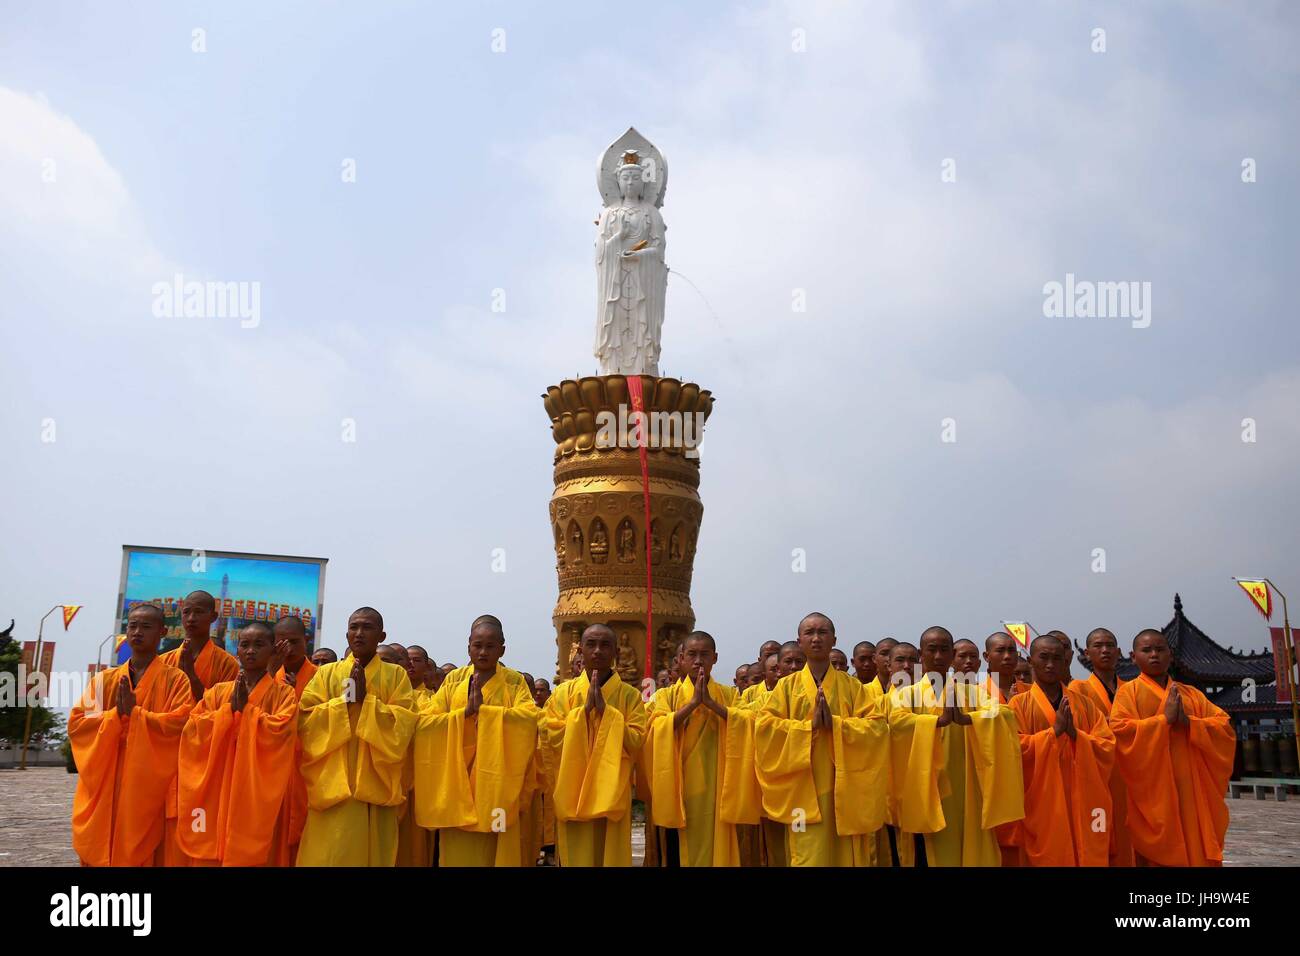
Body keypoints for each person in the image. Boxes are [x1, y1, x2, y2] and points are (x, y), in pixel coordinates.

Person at [751, 612, 889, 866]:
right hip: (804, 792)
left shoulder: (853, 687)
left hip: (845, 792)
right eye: (809, 633)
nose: (816, 638)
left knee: (846, 854)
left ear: (834, 639)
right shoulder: (786, 688)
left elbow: (878, 728)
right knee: (808, 854)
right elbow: (765, 728)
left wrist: (836, 725)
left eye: (822, 632)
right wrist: (807, 728)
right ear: (799, 641)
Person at [68, 603, 195, 866]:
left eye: (146, 627)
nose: (137, 632)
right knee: (100, 839)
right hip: (106, 775)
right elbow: (79, 723)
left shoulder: (176, 680)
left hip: (147, 781)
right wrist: (115, 717)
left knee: (143, 845)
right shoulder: (104, 680)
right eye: (132, 626)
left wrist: (136, 716)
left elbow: (181, 723)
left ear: (162, 631)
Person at [888, 627, 1023, 867]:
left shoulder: (973, 693)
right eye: (932, 650)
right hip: (926, 790)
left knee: (970, 849)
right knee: (927, 853)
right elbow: (897, 723)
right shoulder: (905, 695)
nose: (938, 656)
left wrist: (969, 719)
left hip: (967, 789)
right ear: (921, 654)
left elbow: (1004, 714)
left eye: (944, 650)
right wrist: (935, 722)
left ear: (952, 655)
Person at [413, 615, 539, 866]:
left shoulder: (513, 682)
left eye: (490, 646)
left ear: (502, 649)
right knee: (458, 850)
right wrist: (464, 715)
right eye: (477, 645)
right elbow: (425, 723)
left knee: (498, 845)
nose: (483, 652)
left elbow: (529, 721)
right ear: (468, 646)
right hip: (457, 785)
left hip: (498, 786)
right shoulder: (454, 681)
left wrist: (488, 714)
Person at [295, 607, 416, 866]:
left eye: (367, 627)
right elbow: (305, 721)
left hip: (375, 785)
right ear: (347, 633)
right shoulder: (326, 674)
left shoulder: (396, 675)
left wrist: (367, 702)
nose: (359, 633)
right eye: (354, 627)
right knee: (329, 853)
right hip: (333, 785)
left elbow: (404, 724)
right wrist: (343, 704)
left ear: (381, 635)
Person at [1109, 629, 1235, 867]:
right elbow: (1120, 731)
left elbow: (1224, 727)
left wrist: (1191, 724)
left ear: (1171, 655)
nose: (1154, 655)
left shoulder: (1191, 694)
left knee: (1195, 843)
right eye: (1146, 650)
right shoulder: (1128, 693)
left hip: (1191, 789)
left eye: (1160, 649)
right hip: (1154, 791)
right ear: (1133, 657)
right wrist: (1163, 721)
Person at [177, 622, 299, 866]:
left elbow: (281, 731)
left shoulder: (284, 694)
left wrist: (247, 713)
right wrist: (228, 712)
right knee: (209, 845)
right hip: (218, 783)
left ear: (272, 651)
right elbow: (193, 728)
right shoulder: (217, 693)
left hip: (255, 787)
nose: (251, 650)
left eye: (259, 645)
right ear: (238, 651)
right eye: (245, 645)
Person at [539, 624, 648, 866]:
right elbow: (551, 735)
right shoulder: (562, 695)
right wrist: (584, 712)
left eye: (605, 645)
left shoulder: (629, 696)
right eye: (591, 644)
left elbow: (637, 740)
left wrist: (607, 714)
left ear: (616, 652)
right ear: (580, 651)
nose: (598, 651)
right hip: (573, 789)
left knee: (610, 855)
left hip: (612, 790)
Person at [1010, 636, 1114, 866]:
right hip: (1043, 800)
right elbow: (1012, 749)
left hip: (1085, 798)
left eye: (1057, 658)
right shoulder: (1018, 705)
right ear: (1030, 661)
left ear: (1066, 661)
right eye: (1043, 658)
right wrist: (1053, 733)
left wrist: (1077, 735)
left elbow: (1106, 746)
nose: (1050, 664)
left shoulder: (1085, 705)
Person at [642, 631, 740, 866]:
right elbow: (654, 728)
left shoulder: (729, 695)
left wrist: (713, 705)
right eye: (692, 655)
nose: (698, 661)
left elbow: (747, 725)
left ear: (714, 658)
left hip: (718, 789)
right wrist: (694, 704)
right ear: (681, 660)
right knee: (677, 851)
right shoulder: (666, 695)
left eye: (704, 655)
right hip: (679, 788)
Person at [156, 589, 240, 865]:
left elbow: (225, 714)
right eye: (187, 612)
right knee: (168, 827)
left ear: (213, 617)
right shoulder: (165, 662)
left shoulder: (228, 665)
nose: (191, 618)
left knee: (201, 823)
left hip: (207, 759)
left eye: (199, 612)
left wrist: (192, 677)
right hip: (170, 757)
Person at [1075, 627, 1133, 865]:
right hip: (1096, 774)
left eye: (1110, 645)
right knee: (1098, 833)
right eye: (1098, 646)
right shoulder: (1078, 690)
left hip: (1130, 774)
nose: (1105, 650)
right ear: (1087, 653)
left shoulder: (1131, 689)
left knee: (1128, 834)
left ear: (1119, 652)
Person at [269, 615, 317, 867]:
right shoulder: (266, 676)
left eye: (294, 642)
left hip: (306, 771)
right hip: (270, 770)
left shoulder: (320, 677)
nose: (287, 648)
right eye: (281, 642)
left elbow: (326, 721)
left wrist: (295, 698)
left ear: (306, 641)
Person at [982, 632, 1027, 704]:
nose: (1007, 656)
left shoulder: (1030, 691)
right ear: (987, 656)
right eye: (1000, 651)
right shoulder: (976, 693)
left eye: (1011, 650)